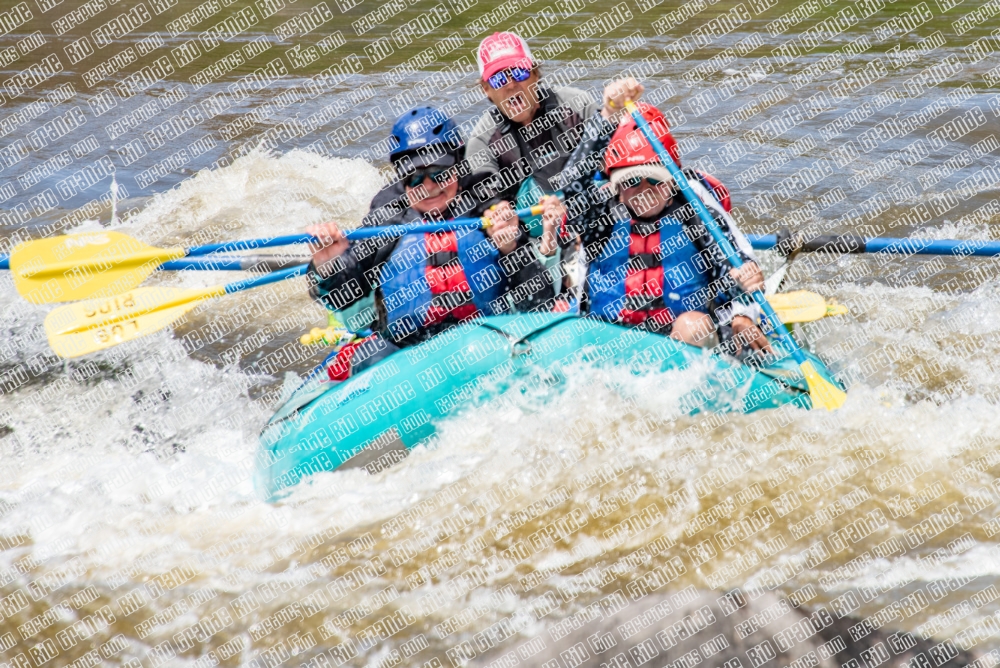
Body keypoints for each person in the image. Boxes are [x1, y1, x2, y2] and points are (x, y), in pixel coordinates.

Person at [305, 107, 556, 378]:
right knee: (369, 356)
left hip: (487, 343)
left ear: (458, 166)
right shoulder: (388, 220)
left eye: (439, 173)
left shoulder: (488, 211)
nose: (428, 185)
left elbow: (539, 302)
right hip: (406, 352)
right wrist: (328, 265)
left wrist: (511, 249)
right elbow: (344, 297)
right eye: (414, 178)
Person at [547, 103, 772, 356]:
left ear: (671, 183)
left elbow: (731, 269)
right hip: (607, 339)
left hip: (679, 344)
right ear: (617, 187)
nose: (643, 190)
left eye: (654, 179)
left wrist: (743, 302)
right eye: (631, 181)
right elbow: (571, 184)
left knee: (693, 326)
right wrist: (606, 117)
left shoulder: (695, 213)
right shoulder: (598, 217)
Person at [466, 31, 645, 203]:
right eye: (499, 79)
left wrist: (616, 110)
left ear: (535, 74)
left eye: (519, 72)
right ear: (487, 90)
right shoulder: (482, 141)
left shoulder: (576, 105)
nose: (511, 85)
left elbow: (619, 154)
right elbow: (486, 206)